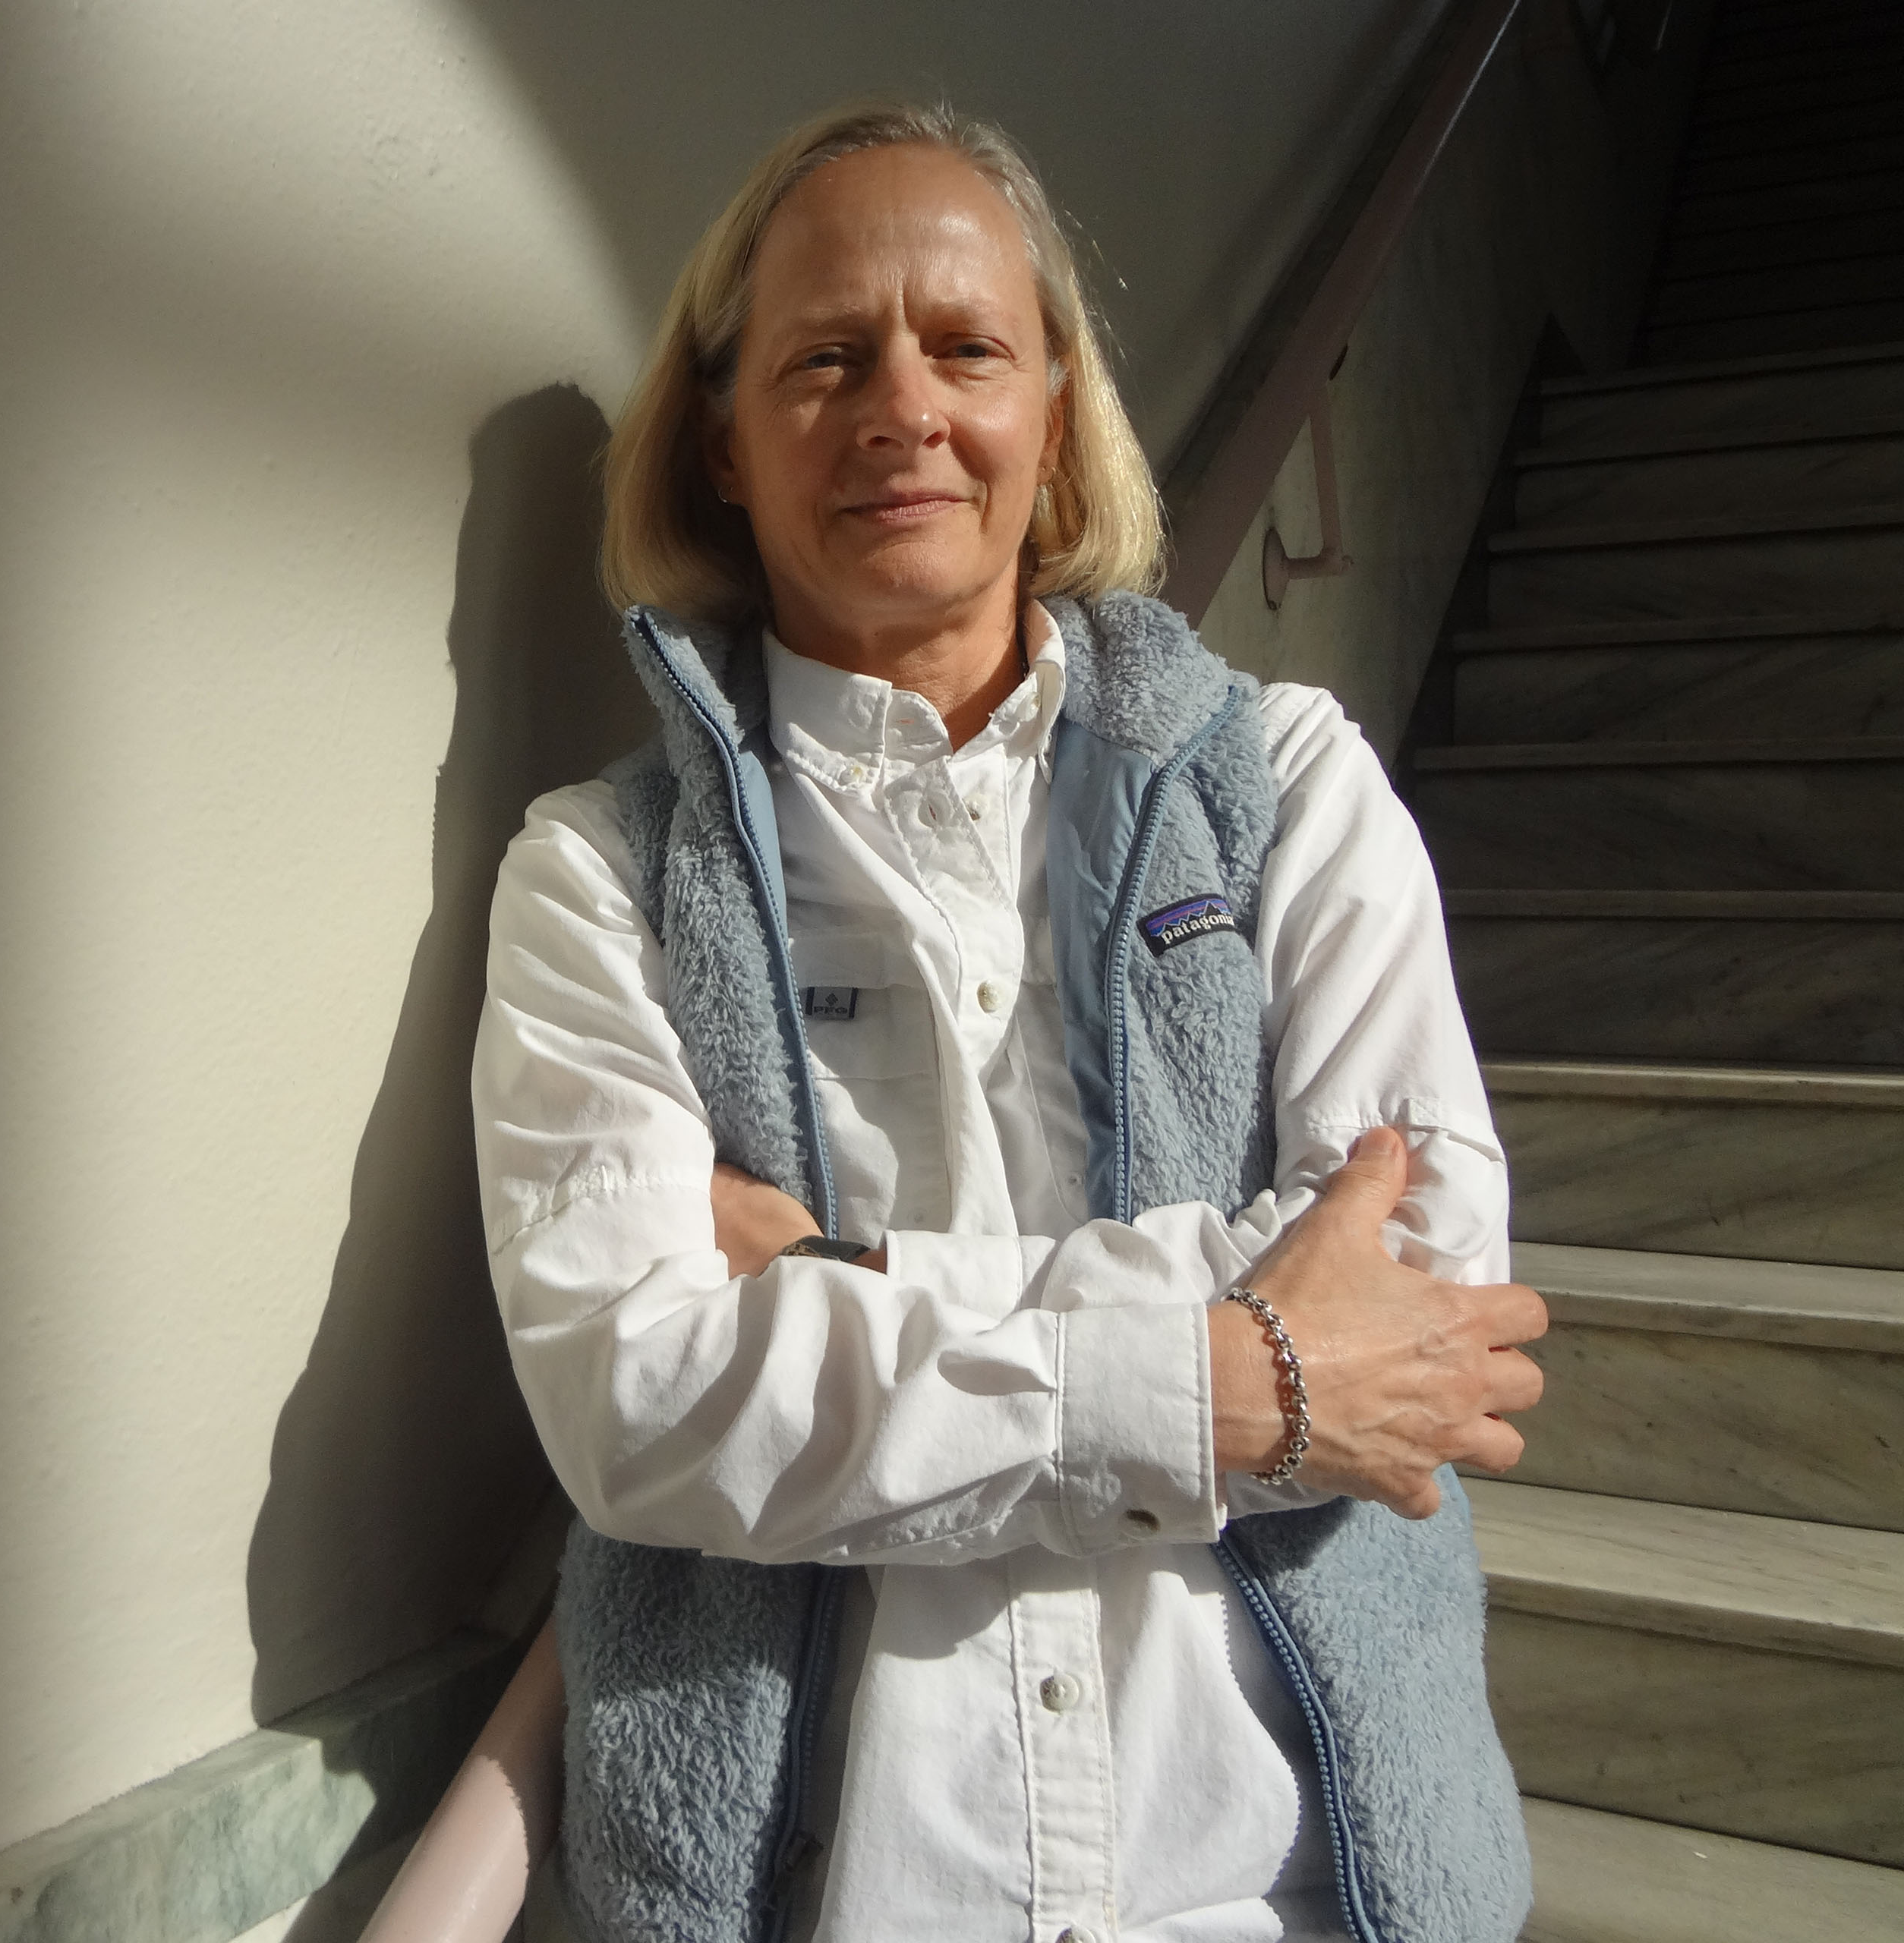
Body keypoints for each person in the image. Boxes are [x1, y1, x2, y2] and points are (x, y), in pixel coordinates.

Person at [469, 102, 1548, 1943]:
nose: (903, 404)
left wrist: (843, 1271)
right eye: (824, 358)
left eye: (967, 345)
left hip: (1292, 1887)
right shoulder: (596, 877)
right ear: (724, 438)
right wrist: (1222, 1377)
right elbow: (635, 1402)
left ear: (1054, 414)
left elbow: (1422, 1282)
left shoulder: (1290, 784)